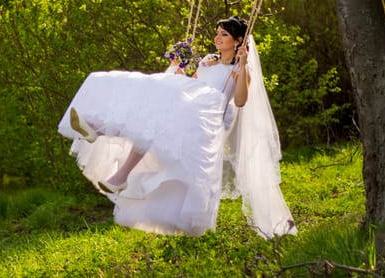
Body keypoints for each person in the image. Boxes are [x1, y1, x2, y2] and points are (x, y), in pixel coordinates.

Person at [58, 16, 297, 238]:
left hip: (211, 120)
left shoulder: (237, 70)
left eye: (223, 34)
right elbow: (191, 86)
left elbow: (241, 101)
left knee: (157, 120)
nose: (217, 38)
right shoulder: (207, 62)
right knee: (153, 115)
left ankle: (103, 140)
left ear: (237, 41)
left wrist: (243, 65)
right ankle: (107, 150)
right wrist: (179, 70)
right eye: (217, 33)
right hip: (193, 111)